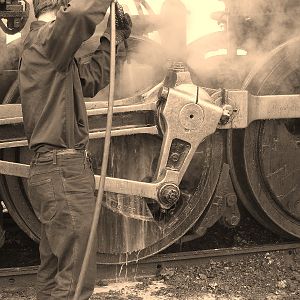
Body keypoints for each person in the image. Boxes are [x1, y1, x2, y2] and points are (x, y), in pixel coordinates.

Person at [18, 0, 132, 299]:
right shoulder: (47, 41)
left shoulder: (51, 55)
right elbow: (82, 13)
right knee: (74, 279)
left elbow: (93, 76)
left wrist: (115, 39)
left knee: (56, 272)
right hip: (63, 172)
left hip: (52, 173)